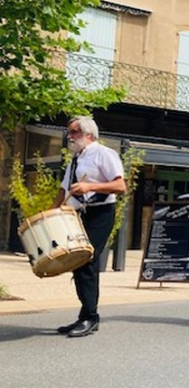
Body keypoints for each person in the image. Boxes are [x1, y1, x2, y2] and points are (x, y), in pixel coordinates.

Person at [52, 116, 126, 338]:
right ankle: (85, 315)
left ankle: (91, 317)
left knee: (87, 261)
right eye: (69, 132)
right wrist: (50, 213)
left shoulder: (104, 154)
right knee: (78, 262)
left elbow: (120, 185)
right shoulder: (75, 159)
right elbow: (64, 191)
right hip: (77, 215)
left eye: (74, 132)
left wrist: (90, 186)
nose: (70, 136)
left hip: (99, 214)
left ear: (89, 134)